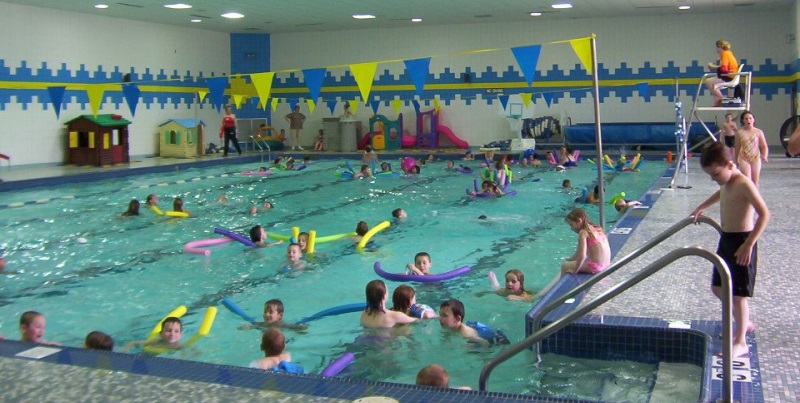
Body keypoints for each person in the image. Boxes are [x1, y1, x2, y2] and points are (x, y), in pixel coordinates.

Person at [692, 141, 769, 358]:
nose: (714, 179)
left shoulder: (744, 184)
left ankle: (741, 342)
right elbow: (721, 193)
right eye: (711, 176)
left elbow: (764, 214)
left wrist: (748, 244)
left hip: (742, 243)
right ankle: (744, 323)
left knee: (738, 296)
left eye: (715, 174)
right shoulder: (726, 181)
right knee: (718, 288)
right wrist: (703, 206)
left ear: (729, 165)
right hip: (726, 240)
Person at [560, 208, 610, 277]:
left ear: (579, 221)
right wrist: (572, 258)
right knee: (570, 262)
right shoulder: (596, 228)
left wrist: (575, 271)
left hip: (596, 267)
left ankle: (561, 283)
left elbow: (582, 256)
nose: (571, 228)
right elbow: (579, 250)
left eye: (571, 225)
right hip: (606, 264)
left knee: (564, 266)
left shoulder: (583, 232)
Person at [438, 299, 508, 347]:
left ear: (457, 319)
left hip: (496, 338)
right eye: (440, 315)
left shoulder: (466, 334)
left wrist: (483, 356)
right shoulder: (448, 328)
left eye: (444, 315)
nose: (440, 318)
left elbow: (485, 343)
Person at [734, 111, 768, 187]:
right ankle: (747, 194)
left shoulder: (758, 132)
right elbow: (737, 147)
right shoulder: (740, 133)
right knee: (747, 181)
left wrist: (765, 155)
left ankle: (756, 194)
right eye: (746, 119)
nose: (748, 120)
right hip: (744, 158)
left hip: (755, 158)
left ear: (753, 120)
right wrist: (736, 160)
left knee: (755, 181)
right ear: (743, 121)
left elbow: (764, 146)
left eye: (750, 118)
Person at [705, 39, 739, 107]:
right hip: (730, 75)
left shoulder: (725, 54)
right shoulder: (728, 53)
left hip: (728, 76)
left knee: (708, 81)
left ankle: (720, 97)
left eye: (716, 47)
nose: (716, 49)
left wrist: (712, 66)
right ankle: (717, 103)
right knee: (714, 87)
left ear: (719, 47)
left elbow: (724, 69)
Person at [239, 299, 308, 332]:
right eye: (265, 312)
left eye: (271, 312)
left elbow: (294, 327)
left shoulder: (281, 324)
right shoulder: (263, 324)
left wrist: (301, 327)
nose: (267, 314)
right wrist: (247, 327)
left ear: (280, 315)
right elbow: (253, 326)